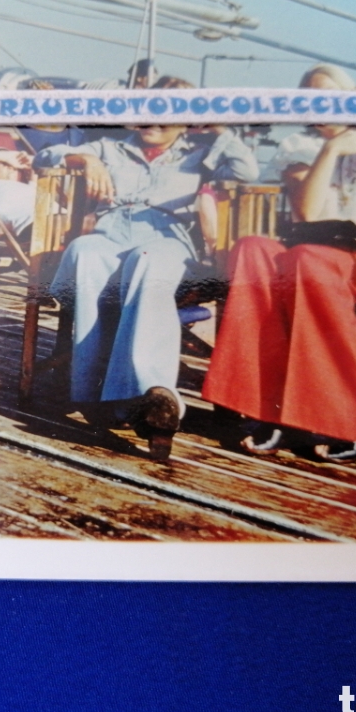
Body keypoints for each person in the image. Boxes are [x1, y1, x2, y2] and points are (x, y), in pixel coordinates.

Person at [201, 64, 356, 463]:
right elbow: (309, 212)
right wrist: (332, 149)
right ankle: (258, 408)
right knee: (251, 249)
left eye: (331, 96)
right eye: (311, 98)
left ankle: (345, 420)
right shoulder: (298, 147)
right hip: (314, 255)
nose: (321, 106)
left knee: (305, 259)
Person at [34, 92, 260, 460]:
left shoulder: (200, 152)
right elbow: (44, 156)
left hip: (167, 242)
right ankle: (91, 395)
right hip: (111, 236)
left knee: (147, 259)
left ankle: (146, 396)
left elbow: (247, 172)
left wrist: (218, 128)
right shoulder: (110, 147)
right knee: (84, 253)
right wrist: (85, 158)